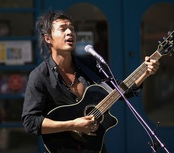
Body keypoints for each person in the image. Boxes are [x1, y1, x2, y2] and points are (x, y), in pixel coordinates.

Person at [21, 10, 160, 153]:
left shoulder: (88, 65)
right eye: (63, 29)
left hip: (95, 148)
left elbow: (119, 91)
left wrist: (145, 73)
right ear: (48, 38)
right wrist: (73, 125)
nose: (70, 32)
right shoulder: (39, 76)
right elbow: (31, 122)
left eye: (72, 29)